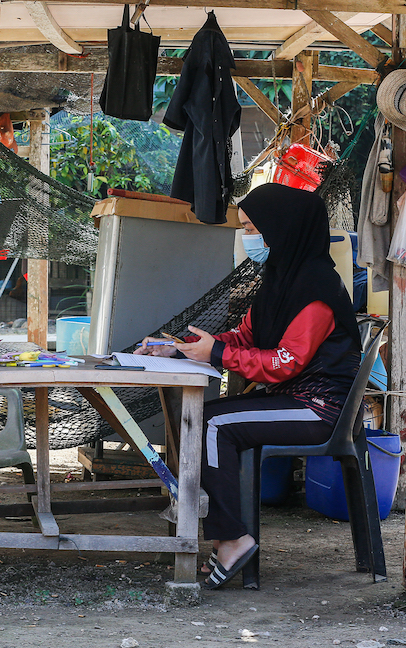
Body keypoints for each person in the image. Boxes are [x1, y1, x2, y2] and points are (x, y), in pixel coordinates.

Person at [136, 183, 361, 589]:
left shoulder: (317, 293)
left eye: (253, 228)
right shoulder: (280, 282)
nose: (248, 238)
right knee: (207, 420)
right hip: (290, 398)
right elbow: (245, 337)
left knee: (212, 424)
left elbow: (283, 362)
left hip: (318, 407)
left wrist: (216, 356)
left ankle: (233, 539)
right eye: (244, 228)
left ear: (283, 229)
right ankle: (226, 536)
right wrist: (183, 348)